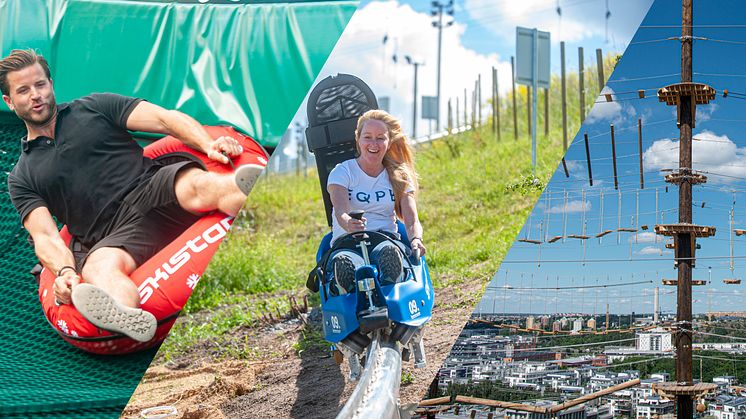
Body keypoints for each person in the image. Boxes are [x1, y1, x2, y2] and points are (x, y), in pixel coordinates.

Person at [1, 49, 262, 342]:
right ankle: (126, 315)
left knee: (199, 184)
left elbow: (165, 120)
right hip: (108, 234)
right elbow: (46, 237)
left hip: (152, 188)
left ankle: (254, 196)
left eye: (40, 84)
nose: (36, 95)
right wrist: (64, 272)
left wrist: (207, 144)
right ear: (9, 101)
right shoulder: (22, 176)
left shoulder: (93, 106)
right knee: (100, 268)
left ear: (51, 83)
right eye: (23, 90)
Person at [326, 109, 425, 295]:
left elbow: (412, 220)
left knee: (388, 252)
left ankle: (391, 284)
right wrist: (349, 222)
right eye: (368, 137)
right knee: (348, 261)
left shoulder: (399, 176)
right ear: (358, 139)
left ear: (388, 143)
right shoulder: (342, 172)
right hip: (347, 241)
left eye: (380, 138)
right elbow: (340, 210)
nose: (374, 143)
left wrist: (416, 240)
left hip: (384, 239)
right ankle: (343, 283)